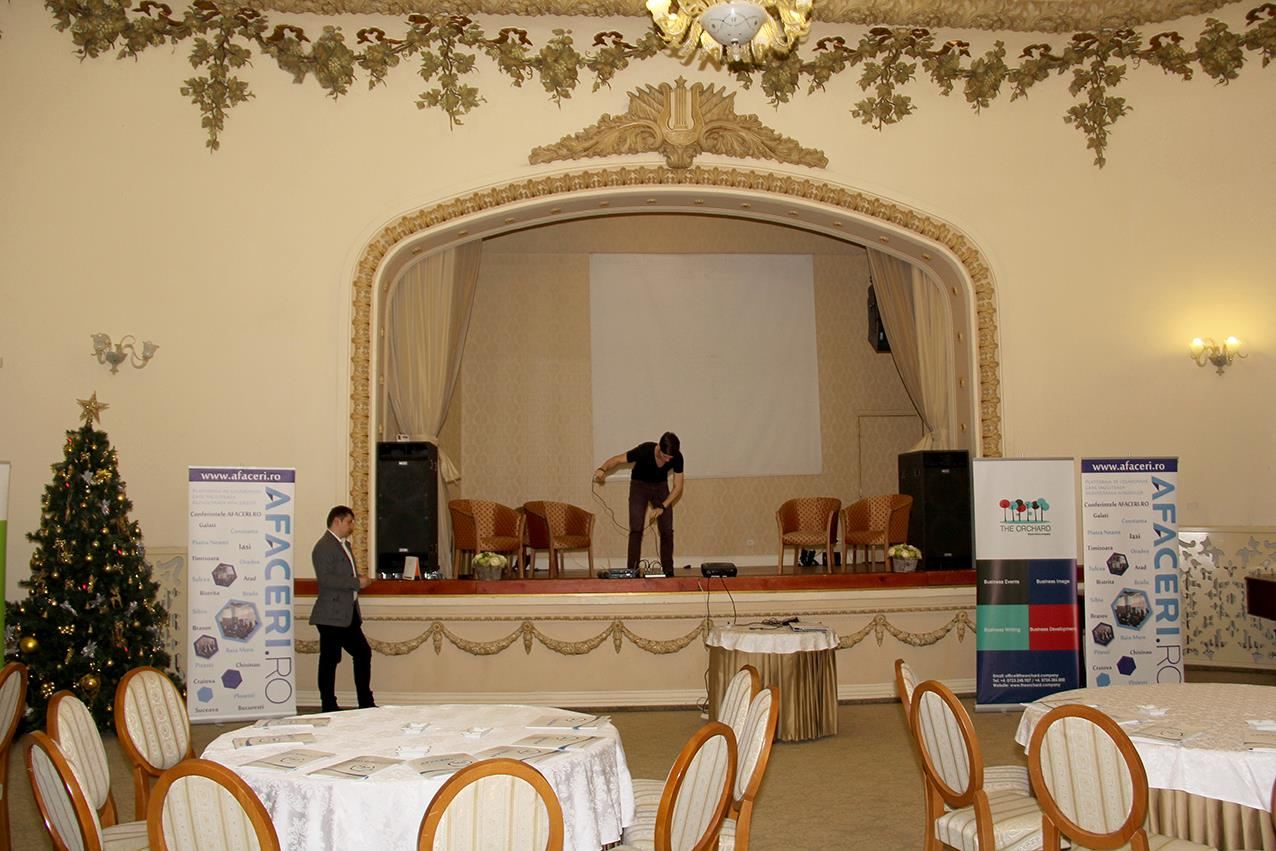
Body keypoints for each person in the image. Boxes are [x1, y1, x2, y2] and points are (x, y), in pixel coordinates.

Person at [309, 505, 375, 711]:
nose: (351, 526)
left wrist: (358, 580)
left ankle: (364, 701)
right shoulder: (324, 546)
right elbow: (326, 580)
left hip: (346, 613)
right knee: (330, 660)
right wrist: (357, 582)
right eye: (349, 522)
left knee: (361, 653)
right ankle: (329, 704)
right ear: (336, 521)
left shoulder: (342, 545)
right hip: (331, 615)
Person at [594, 432, 684, 576]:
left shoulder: (677, 457)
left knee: (667, 530)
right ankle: (632, 571)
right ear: (659, 447)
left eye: (670, 458)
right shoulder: (644, 450)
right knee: (636, 528)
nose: (668, 461)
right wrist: (602, 469)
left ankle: (668, 571)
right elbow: (617, 459)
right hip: (639, 486)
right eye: (665, 456)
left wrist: (663, 506)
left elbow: (678, 487)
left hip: (660, 487)